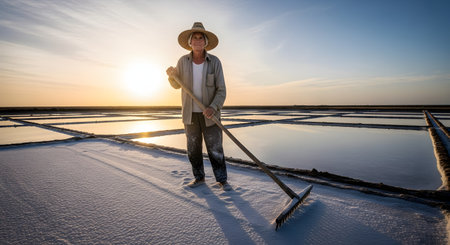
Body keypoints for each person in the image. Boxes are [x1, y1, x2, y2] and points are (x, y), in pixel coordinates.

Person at [166, 22, 229, 190]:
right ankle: (199, 178)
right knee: (193, 149)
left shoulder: (214, 62)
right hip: (190, 114)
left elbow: (221, 90)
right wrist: (171, 76)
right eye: (195, 38)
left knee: (215, 149)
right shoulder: (183, 61)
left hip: (210, 114)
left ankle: (222, 181)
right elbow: (176, 85)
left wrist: (213, 107)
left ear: (205, 42)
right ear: (190, 42)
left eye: (201, 38)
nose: (198, 41)